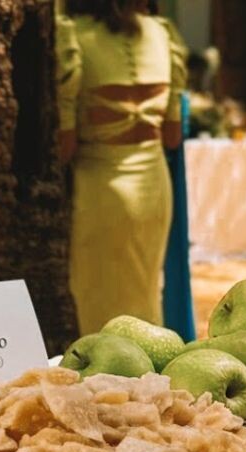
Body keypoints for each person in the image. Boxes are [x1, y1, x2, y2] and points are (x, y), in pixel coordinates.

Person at [55, 0, 186, 333]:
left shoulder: (72, 37)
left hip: (100, 190)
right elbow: (172, 137)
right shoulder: (162, 34)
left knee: (97, 303)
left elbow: (65, 148)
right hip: (155, 186)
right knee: (146, 295)